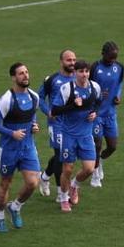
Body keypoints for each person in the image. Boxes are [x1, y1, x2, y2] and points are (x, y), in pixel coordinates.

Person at [0, 63, 42, 234]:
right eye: (21, 73)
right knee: (5, 183)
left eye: (26, 72)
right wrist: (11, 133)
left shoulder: (34, 97)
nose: (25, 76)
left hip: (28, 147)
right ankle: (0, 216)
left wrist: (34, 126)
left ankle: (16, 206)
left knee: (33, 183)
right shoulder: (7, 99)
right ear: (13, 77)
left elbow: (32, 116)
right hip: (8, 149)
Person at [49, 59, 102, 213]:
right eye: (81, 71)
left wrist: (94, 113)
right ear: (75, 73)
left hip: (86, 135)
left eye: (86, 71)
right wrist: (73, 104)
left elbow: (98, 102)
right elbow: (55, 111)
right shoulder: (67, 89)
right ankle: (64, 199)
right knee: (67, 169)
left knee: (89, 169)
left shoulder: (94, 87)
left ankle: (74, 186)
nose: (84, 74)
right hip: (69, 135)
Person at [39, 49, 77, 198]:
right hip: (56, 123)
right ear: (61, 62)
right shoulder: (52, 79)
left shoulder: (79, 78)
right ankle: (61, 194)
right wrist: (48, 111)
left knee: (65, 155)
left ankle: (44, 176)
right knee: (61, 156)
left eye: (74, 60)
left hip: (74, 124)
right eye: (69, 60)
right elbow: (40, 97)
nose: (72, 63)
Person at [89, 42, 124, 188]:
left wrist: (117, 95)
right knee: (97, 144)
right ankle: (95, 174)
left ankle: (100, 160)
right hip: (96, 113)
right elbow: (87, 85)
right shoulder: (95, 67)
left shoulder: (119, 67)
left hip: (110, 113)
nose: (112, 61)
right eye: (110, 58)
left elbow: (120, 82)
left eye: (114, 58)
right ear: (103, 54)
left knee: (112, 146)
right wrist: (97, 94)